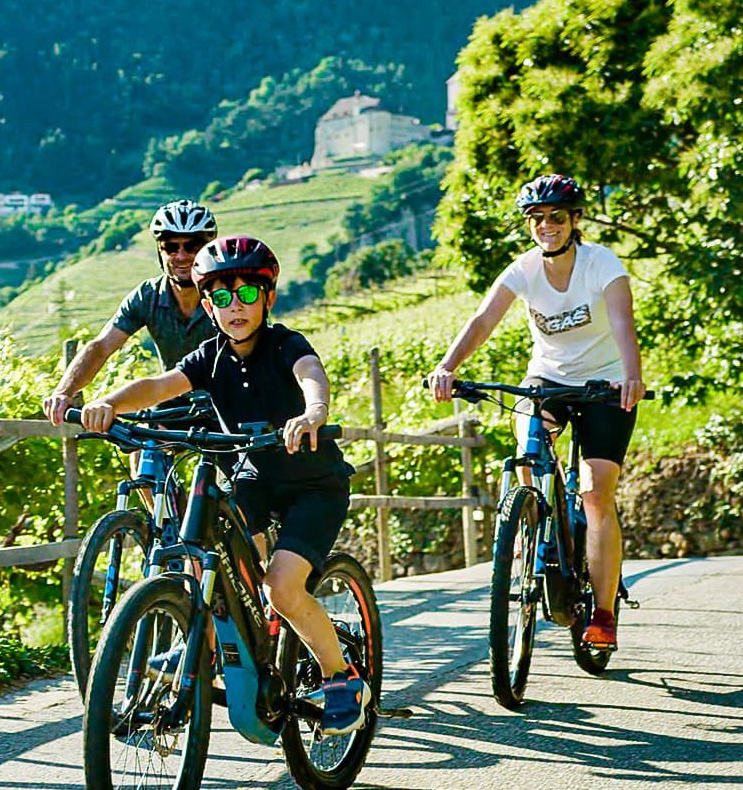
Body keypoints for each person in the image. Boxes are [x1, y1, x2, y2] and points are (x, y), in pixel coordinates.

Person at [77, 235, 366, 735]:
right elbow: (159, 386)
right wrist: (108, 403)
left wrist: (313, 412)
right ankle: (220, 645)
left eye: (248, 294)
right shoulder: (208, 358)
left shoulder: (284, 344)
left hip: (313, 486)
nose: (236, 306)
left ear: (268, 298)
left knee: (280, 587)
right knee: (210, 555)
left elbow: (310, 374)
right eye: (221, 297)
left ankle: (341, 677)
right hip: (252, 477)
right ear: (207, 305)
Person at [425, 173, 646, 649]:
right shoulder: (523, 269)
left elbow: (624, 321)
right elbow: (483, 319)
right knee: (527, 452)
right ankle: (530, 522)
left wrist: (631, 375)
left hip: (604, 386)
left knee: (595, 494)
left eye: (556, 218)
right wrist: (447, 366)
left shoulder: (600, 263)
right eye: (538, 219)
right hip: (547, 382)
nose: (547, 226)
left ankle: (603, 613)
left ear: (574, 220)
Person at [42, 199, 220, 429]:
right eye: (171, 247)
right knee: (141, 444)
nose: (182, 256)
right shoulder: (148, 296)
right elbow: (102, 346)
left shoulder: (228, 297)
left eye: (192, 246)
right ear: (159, 251)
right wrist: (64, 392)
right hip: (170, 400)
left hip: (225, 403)